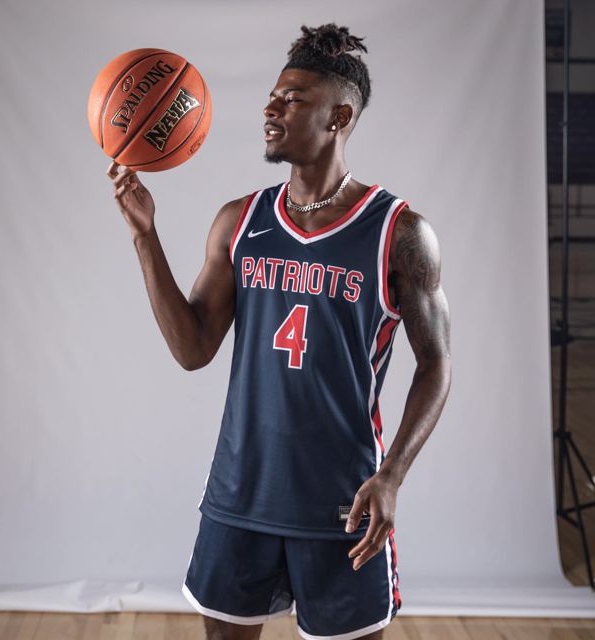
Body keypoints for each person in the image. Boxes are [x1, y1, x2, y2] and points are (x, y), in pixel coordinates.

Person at [107, 23, 451, 640]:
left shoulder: (399, 233)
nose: (271, 109)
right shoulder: (240, 221)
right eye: (271, 97)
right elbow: (192, 349)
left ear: (339, 116)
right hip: (242, 492)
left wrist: (393, 474)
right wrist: (144, 235)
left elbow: (437, 365)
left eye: (292, 99)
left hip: (344, 501)